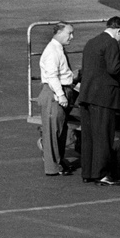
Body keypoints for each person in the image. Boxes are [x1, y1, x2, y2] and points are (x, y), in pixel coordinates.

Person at [77, 16, 120, 186]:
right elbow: (113, 68)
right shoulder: (111, 43)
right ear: (119, 30)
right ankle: (102, 173)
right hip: (103, 97)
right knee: (103, 136)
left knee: (89, 136)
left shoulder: (91, 42)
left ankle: (88, 172)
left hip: (87, 95)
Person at [38, 22, 77, 176]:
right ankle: (52, 167)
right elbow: (52, 76)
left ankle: (58, 163)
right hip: (54, 93)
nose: (72, 37)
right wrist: (60, 95)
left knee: (60, 130)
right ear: (59, 33)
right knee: (53, 132)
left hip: (61, 90)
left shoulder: (58, 49)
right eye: (69, 33)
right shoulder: (52, 51)